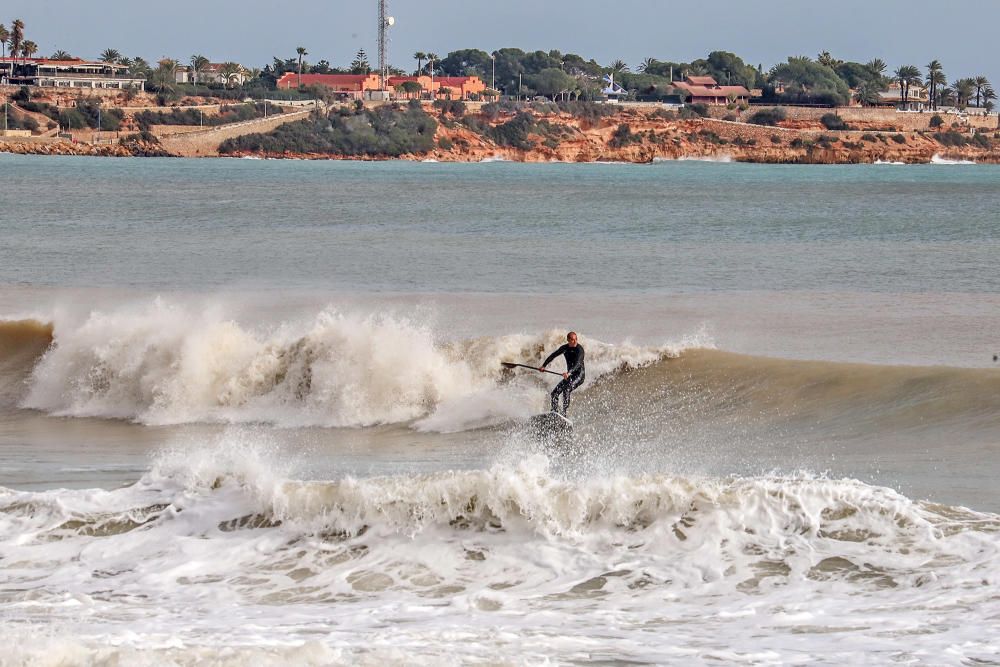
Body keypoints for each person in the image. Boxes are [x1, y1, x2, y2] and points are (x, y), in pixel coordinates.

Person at [540, 331, 585, 416]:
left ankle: (564, 413)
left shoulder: (580, 350)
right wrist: (543, 366)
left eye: (576, 339)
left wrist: (569, 372)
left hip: (579, 375)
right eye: (572, 339)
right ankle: (554, 412)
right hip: (570, 375)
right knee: (554, 393)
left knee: (566, 389)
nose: (575, 341)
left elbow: (578, 363)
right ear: (568, 340)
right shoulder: (565, 348)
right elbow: (553, 355)